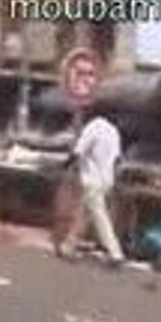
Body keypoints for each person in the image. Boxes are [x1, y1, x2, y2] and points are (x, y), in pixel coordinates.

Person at [55, 114, 125, 266]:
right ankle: (67, 247)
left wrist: (63, 166)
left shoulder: (93, 127)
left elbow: (78, 152)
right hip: (107, 180)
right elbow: (118, 159)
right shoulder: (113, 131)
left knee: (100, 216)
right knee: (84, 215)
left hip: (93, 180)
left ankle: (116, 253)